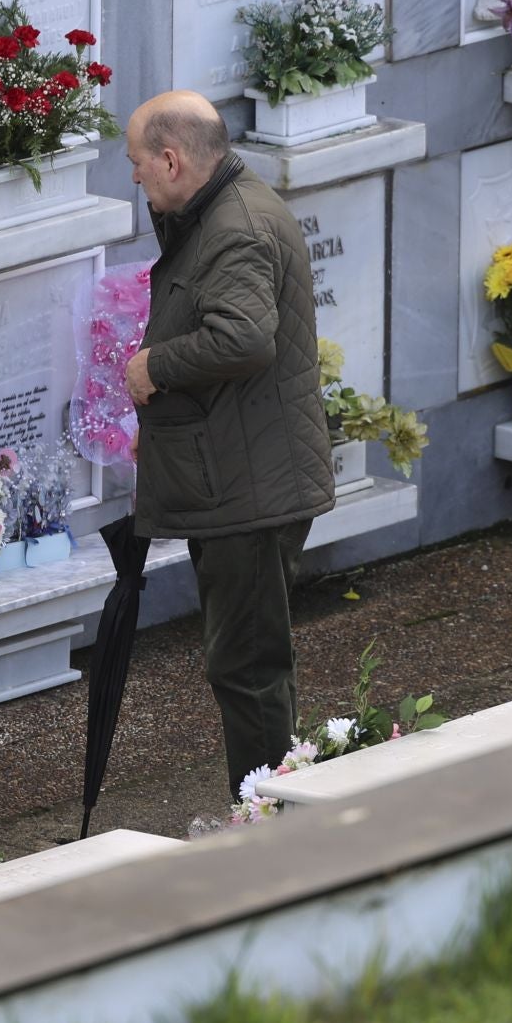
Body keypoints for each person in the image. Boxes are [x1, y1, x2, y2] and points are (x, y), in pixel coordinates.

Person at [122, 90, 334, 799]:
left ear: (174, 159)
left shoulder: (235, 226)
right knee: (247, 662)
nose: (136, 178)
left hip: (251, 487)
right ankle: (269, 807)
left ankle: (269, 820)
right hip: (244, 472)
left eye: (139, 164)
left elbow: (242, 337)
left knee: (247, 667)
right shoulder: (215, 210)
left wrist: (154, 369)